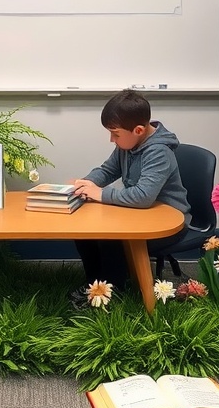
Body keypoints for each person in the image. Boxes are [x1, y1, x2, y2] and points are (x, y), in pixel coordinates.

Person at [70, 89, 190, 306]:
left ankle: (112, 293)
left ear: (138, 130)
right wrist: (86, 183)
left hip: (167, 221)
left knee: (111, 238)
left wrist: (101, 194)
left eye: (115, 133)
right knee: (84, 231)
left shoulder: (159, 152)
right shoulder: (128, 144)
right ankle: (95, 285)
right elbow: (107, 171)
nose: (111, 139)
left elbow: (143, 197)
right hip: (138, 213)